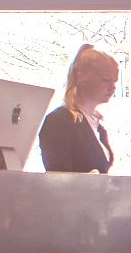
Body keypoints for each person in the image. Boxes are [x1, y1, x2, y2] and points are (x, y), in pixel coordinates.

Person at [38, 44, 119, 173]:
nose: (113, 87)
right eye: (106, 80)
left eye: (114, 81)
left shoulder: (97, 125)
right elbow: (58, 178)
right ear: (81, 77)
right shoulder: (59, 121)